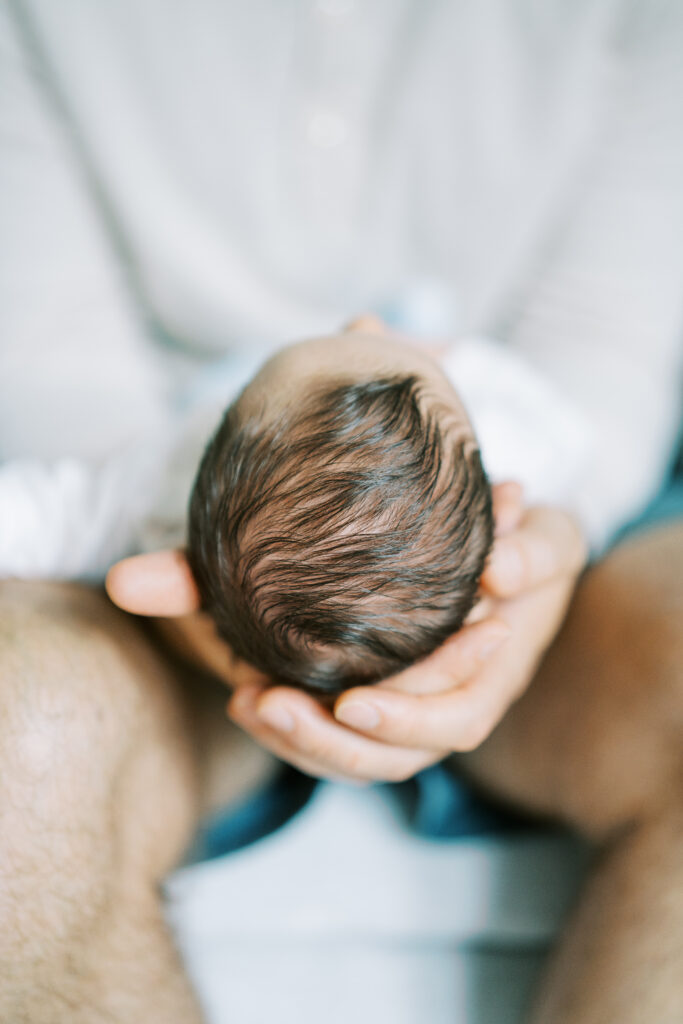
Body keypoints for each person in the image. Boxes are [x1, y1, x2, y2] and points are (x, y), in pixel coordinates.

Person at [1, 3, 682, 1023]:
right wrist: (181, 586)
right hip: (180, 589)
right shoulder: (154, 485)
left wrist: (544, 556)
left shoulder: (144, 493)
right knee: (21, 728)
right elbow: (57, 413)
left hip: (533, 589)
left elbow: (597, 373)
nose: (363, 320)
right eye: (360, 335)